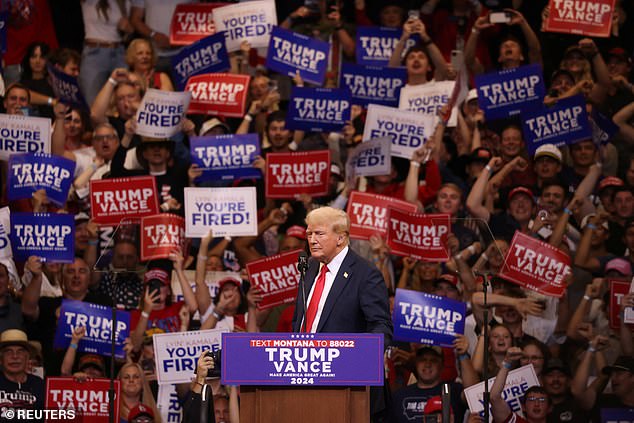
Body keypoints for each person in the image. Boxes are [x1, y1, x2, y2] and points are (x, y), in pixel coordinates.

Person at [0, 329, 45, 417]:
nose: (15, 356)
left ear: (27, 357)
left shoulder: (39, 384)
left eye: (20, 351)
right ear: (1, 359)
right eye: (9, 352)